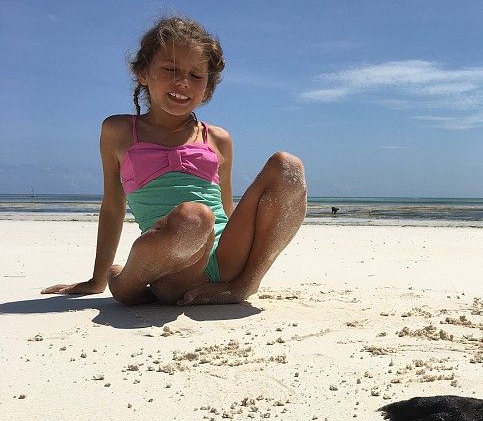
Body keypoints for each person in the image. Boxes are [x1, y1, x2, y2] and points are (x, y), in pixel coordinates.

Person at [42, 16, 307, 306]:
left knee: (288, 166)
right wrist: (96, 279)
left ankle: (245, 285)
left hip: (225, 259)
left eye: (196, 76)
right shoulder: (118, 132)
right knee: (195, 217)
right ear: (143, 73)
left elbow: (227, 209)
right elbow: (112, 208)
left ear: (207, 88)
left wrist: (239, 275)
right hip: (171, 263)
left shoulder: (217, 139)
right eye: (170, 69)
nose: (182, 82)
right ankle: (125, 285)